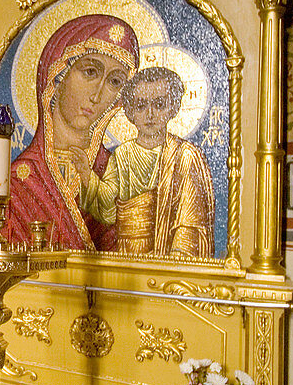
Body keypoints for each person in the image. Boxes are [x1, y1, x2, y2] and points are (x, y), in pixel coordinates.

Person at [5, 14, 139, 251]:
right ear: (57, 75)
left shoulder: (115, 172)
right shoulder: (19, 180)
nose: (97, 95)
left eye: (114, 82)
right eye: (90, 72)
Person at [74, 67, 215, 257]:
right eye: (140, 106)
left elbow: (191, 223)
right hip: (127, 257)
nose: (150, 114)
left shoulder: (185, 156)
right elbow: (107, 209)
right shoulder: (123, 154)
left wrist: (174, 261)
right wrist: (86, 173)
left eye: (159, 104)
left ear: (173, 107)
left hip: (166, 262)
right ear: (130, 111)